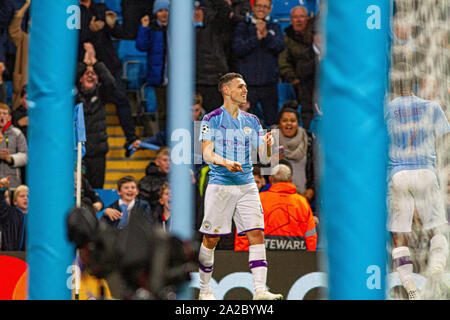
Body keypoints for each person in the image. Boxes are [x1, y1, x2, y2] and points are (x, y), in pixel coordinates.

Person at [197, 72, 282, 300]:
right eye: (240, 87)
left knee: (256, 233)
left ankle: (260, 291)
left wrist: (267, 146)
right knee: (211, 239)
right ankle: (204, 290)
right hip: (220, 185)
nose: (245, 90)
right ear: (226, 90)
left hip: (246, 186)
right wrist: (225, 162)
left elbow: (263, 157)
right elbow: (206, 153)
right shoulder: (210, 119)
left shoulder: (253, 121)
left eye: (245, 87)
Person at [385, 62, 449, 300]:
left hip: (398, 174)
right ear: (413, 82)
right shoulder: (431, 107)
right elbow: (446, 138)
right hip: (426, 171)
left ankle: (411, 289)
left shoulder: (387, 110)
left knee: (399, 235)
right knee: (436, 227)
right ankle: (436, 270)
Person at [79, 0, 139, 152]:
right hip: (83, 64)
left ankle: (131, 138)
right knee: (82, 103)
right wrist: (91, 30)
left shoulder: (100, 8)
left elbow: (120, 34)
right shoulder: (71, 10)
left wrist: (112, 25)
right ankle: (81, 140)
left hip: (108, 64)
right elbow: (72, 37)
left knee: (121, 98)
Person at [235, 164, 317, 251]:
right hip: (295, 259)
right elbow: (310, 236)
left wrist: (243, 258)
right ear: (291, 180)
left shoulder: (258, 200)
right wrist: (308, 259)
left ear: (270, 179)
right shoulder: (302, 203)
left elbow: (244, 233)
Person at [232, 0, 285, 127]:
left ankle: (271, 147)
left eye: (265, 6)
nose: (261, 9)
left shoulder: (274, 27)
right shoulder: (243, 26)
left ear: (270, 9)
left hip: (269, 85)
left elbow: (280, 46)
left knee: (272, 124)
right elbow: (238, 49)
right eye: (259, 6)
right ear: (253, 7)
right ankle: (246, 147)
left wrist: (266, 35)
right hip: (247, 86)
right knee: (244, 124)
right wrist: (256, 38)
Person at [76, 43, 115, 189]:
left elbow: (110, 83)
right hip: (79, 153)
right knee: (79, 190)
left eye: (94, 74)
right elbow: (67, 83)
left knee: (97, 189)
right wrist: (84, 64)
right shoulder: (73, 96)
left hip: (98, 153)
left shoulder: (102, 96)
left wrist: (97, 64)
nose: (90, 75)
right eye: (87, 73)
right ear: (80, 78)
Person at [278, 6, 316, 130]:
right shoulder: (286, 39)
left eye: (301, 16)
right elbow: (283, 64)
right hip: (298, 82)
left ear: (308, 19)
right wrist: (294, 80)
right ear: (290, 20)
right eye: (295, 17)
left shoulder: (315, 37)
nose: (298, 20)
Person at [136, 0, 170, 131]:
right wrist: (143, 28)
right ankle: (163, 143)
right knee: (162, 112)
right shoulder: (151, 29)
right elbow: (141, 46)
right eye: (160, 10)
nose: (163, 14)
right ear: (155, 13)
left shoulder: (176, 28)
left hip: (175, 78)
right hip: (159, 77)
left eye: (166, 10)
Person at [195, 0, 233, 112]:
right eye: (193, 9)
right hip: (194, 82)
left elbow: (225, 11)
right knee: (197, 123)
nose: (196, 13)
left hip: (215, 81)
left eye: (199, 9)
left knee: (216, 122)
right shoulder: (182, 31)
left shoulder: (215, 27)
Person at [272, 103, 315, 202]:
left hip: (303, 198)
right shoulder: (270, 139)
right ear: (279, 123)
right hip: (277, 199)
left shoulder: (308, 140)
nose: (289, 124)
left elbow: (315, 169)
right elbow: (262, 172)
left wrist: (312, 189)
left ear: (298, 123)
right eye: (284, 121)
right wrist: (272, 161)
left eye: (293, 121)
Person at [8, 0, 29, 110]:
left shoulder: (52, 44)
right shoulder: (25, 39)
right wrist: (26, 6)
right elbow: (13, 30)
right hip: (23, 88)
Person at [0, 103, 27, 189]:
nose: (2, 116)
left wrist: (10, 158)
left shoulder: (17, 133)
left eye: (4, 113)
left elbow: (25, 156)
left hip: (13, 184)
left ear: (9, 118)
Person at [0, 176, 27, 251]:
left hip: (29, 258)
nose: (26, 198)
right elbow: (1, 203)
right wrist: (1, 189)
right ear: (14, 201)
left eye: (28, 196)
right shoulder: (9, 213)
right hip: (11, 256)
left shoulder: (36, 217)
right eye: (22, 196)